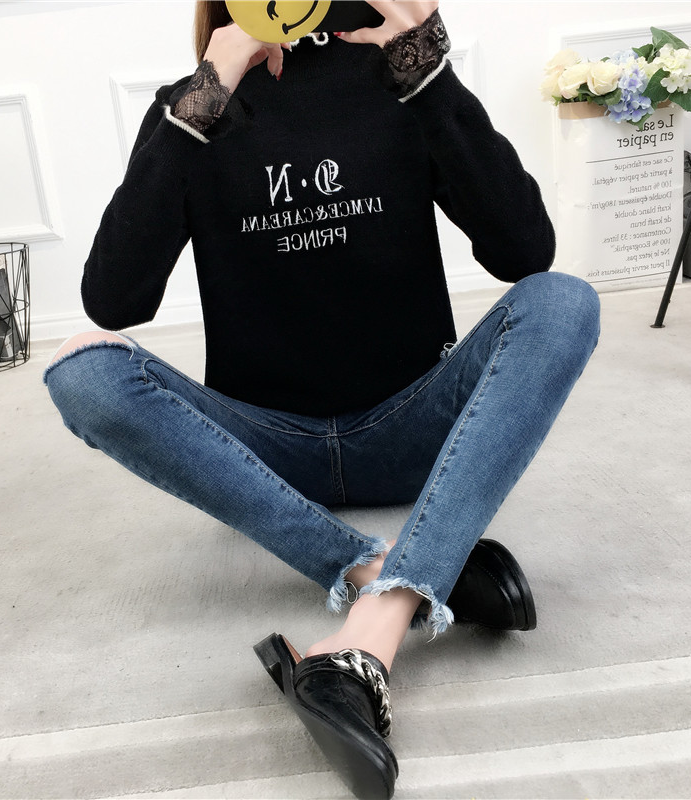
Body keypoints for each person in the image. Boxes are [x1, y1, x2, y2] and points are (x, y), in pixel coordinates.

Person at [44, 2, 600, 797]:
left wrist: (425, 68)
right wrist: (209, 86)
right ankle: (378, 567)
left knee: (564, 301)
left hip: (412, 427)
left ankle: (377, 621)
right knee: (81, 371)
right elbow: (114, 300)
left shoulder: (397, 76)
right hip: (267, 449)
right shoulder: (196, 104)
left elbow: (525, 251)